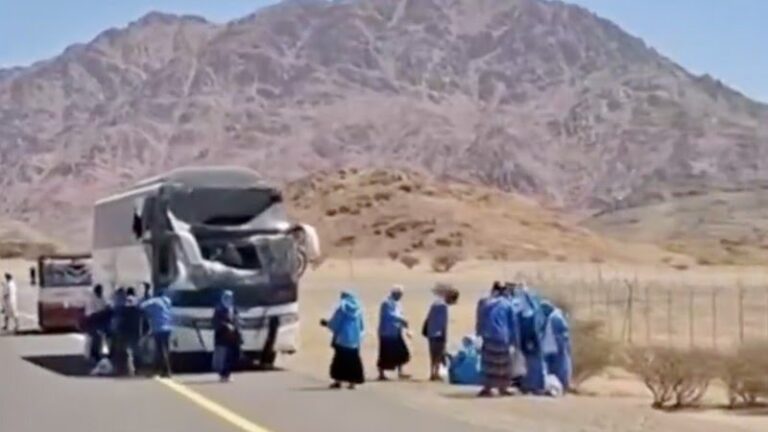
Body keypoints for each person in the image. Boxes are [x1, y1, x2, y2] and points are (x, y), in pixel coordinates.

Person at [477, 283, 519, 397]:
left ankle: (487, 387)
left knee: (489, 363)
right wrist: (515, 340)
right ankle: (503, 388)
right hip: (502, 337)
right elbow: (513, 324)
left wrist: (479, 333)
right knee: (503, 364)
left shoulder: (486, 303)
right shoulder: (507, 305)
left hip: (488, 336)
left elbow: (480, 319)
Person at [321, 290, 365, 389]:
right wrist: (359, 337)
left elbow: (335, 323)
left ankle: (338, 381)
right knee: (353, 361)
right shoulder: (359, 309)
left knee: (340, 361)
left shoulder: (342, 308)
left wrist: (327, 324)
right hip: (354, 339)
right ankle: (352, 382)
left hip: (342, 338)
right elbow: (362, 326)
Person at [377, 285, 411, 381]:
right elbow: (389, 315)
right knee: (385, 354)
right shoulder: (386, 303)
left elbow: (400, 314)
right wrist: (401, 320)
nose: (400, 296)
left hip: (396, 331)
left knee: (401, 352)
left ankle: (401, 372)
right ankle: (381, 374)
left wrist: (404, 324)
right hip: (386, 332)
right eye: (399, 294)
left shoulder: (398, 303)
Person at [540, 301, 572, 392]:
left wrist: (562, 346)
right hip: (552, 347)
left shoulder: (555, 317)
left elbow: (562, 334)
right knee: (555, 369)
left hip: (556, 348)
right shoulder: (552, 317)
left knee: (560, 368)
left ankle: (562, 386)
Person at [141, 290, 173, 377]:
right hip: (168, 327)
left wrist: (145, 297)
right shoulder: (167, 301)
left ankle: (165, 371)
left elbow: (142, 306)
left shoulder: (154, 302)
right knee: (165, 350)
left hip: (159, 328)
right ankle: (161, 370)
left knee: (160, 351)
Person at [212, 290, 242, 382]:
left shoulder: (234, 308)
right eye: (226, 298)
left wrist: (238, 324)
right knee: (223, 357)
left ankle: (227, 374)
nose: (229, 300)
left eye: (230, 298)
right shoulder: (219, 309)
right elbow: (215, 322)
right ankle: (223, 375)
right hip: (222, 337)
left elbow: (236, 318)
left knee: (232, 356)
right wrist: (226, 325)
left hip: (233, 337)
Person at [423, 285, 450, 381]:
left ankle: (432, 373)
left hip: (431, 333)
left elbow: (429, 318)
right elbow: (444, 323)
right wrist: (445, 336)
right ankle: (436, 373)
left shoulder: (434, 304)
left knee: (432, 354)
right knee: (438, 355)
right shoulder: (444, 307)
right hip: (439, 334)